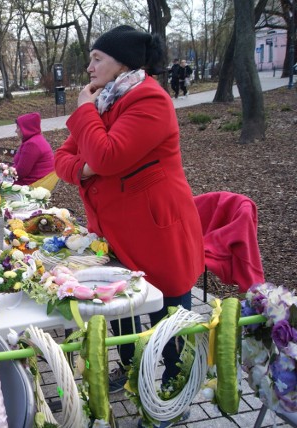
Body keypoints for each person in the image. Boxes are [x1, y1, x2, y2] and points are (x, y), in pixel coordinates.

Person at [54, 25, 204, 419]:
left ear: (122, 62)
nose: (88, 67)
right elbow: (63, 160)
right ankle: (129, 371)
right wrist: (85, 165)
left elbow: (106, 156)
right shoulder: (106, 100)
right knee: (120, 306)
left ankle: (174, 395)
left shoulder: (150, 100)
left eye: (97, 58)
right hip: (117, 231)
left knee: (166, 316)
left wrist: (84, 115)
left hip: (156, 231)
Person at [12, 112, 55, 185]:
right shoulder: (36, 139)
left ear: (26, 128)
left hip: (32, 185)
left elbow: (20, 173)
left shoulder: (32, 144)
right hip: (37, 182)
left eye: (18, 128)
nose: (16, 131)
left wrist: (3, 172)